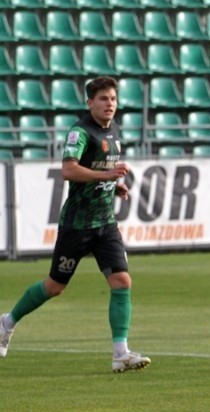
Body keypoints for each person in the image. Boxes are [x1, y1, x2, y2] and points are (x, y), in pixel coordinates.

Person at [0, 76, 150, 373]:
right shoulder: (79, 133)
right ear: (89, 102)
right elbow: (69, 170)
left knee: (122, 281)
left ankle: (120, 352)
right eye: (104, 99)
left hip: (105, 222)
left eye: (114, 99)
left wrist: (112, 186)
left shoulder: (116, 131)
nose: (110, 104)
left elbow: (99, 170)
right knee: (55, 286)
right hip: (77, 225)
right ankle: (7, 322)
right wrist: (106, 178)